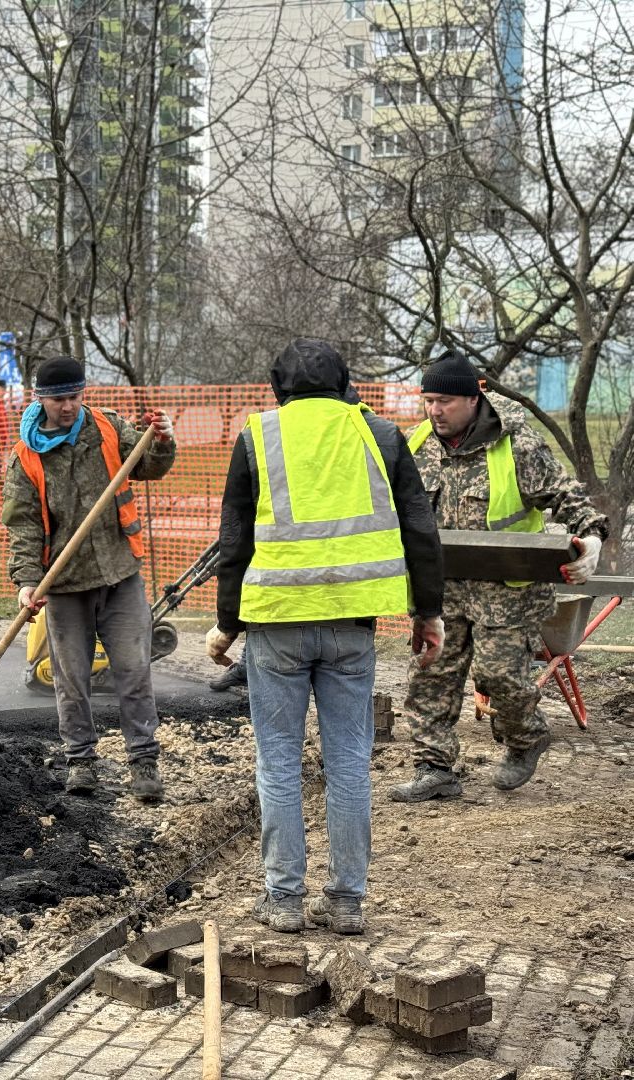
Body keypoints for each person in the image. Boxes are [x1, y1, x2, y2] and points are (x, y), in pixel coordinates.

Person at [205, 339, 445, 935]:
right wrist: (429, 613)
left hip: (277, 628)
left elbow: (234, 540)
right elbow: (421, 529)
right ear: (344, 384)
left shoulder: (257, 437)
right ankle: (346, 903)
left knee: (280, 764)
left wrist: (227, 624)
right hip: (352, 628)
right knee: (348, 765)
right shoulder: (382, 436)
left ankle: (283, 900)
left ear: (276, 387)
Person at [392, 351, 608, 802]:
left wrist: (591, 539)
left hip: (506, 593)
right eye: (428, 400)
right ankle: (434, 769)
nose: (435, 410)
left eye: (445, 401)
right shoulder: (415, 447)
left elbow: (567, 495)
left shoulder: (516, 445)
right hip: (444, 590)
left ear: (475, 398)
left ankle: (526, 737)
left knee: (499, 676)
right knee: (429, 676)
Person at [3, 356, 178, 799]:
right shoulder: (26, 455)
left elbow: (150, 465)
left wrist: (161, 440)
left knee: (134, 671)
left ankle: (144, 763)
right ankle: (81, 762)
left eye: (75, 397)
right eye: (60, 399)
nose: (69, 406)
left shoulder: (107, 427)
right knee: (72, 678)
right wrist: (27, 580)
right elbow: (22, 524)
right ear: (40, 399)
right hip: (64, 586)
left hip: (120, 574)